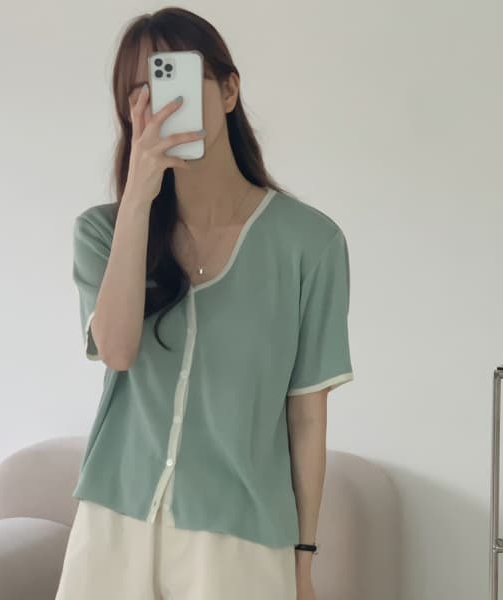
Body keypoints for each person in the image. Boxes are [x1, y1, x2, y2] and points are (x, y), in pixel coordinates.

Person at [55, 7, 354, 600]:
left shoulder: (310, 244)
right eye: (139, 91)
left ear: (228, 91)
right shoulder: (102, 233)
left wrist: (303, 561)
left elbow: (307, 416)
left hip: (239, 538)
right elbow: (116, 351)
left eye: (174, 80)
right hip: (115, 523)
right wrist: (137, 200)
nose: (159, 104)